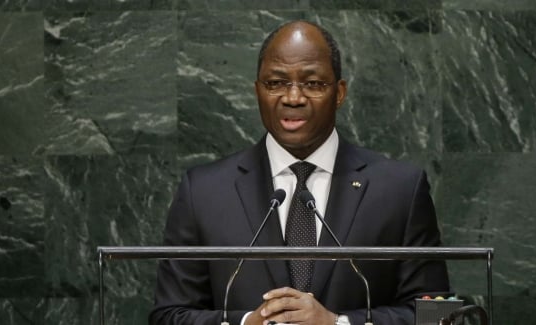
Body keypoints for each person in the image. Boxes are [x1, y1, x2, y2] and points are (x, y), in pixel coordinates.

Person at [150, 20, 449, 325]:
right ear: (257, 92)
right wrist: (245, 324)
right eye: (276, 83)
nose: (293, 98)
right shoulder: (204, 192)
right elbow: (169, 315)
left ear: (340, 92)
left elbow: (437, 315)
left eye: (313, 83)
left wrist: (339, 324)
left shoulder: (400, 189)